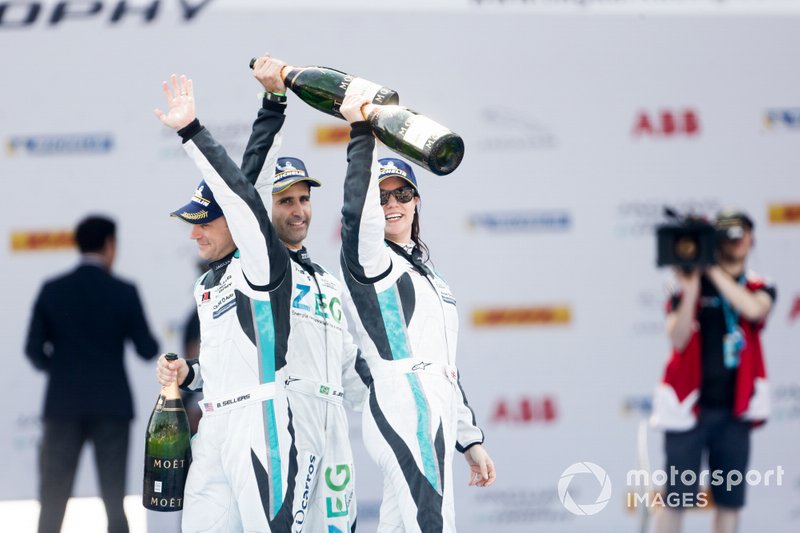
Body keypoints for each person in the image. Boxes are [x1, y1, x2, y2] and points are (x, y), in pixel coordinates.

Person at [153, 61, 364, 532]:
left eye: (205, 221)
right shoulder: (208, 285)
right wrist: (191, 375)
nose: (195, 234)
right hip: (215, 424)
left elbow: (245, 186)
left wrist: (260, 108)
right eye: (193, 224)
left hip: (270, 421)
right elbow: (233, 360)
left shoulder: (263, 266)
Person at [338, 94, 496, 532]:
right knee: (431, 524)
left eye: (402, 193)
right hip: (403, 403)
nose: (392, 203)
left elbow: (445, 366)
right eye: (382, 195)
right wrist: (360, 136)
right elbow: (356, 219)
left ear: (416, 200)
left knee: (402, 524)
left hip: (435, 406)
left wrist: (469, 440)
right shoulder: (371, 259)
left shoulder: (429, 272)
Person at [24, 215, 159, 533]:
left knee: (53, 499)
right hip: (112, 406)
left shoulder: (53, 289)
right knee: (114, 500)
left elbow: (33, 350)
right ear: (110, 245)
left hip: (62, 406)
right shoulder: (123, 291)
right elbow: (147, 349)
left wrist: (59, 371)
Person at [651, 209, 775, 533]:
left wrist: (713, 271)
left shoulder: (759, 285)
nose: (734, 243)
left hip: (733, 413)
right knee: (676, 499)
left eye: (740, 235)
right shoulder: (687, 284)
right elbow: (677, 339)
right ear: (715, 241)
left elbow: (753, 308)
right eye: (726, 236)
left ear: (751, 239)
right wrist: (692, 285)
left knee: (729, 501)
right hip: (687, 411)